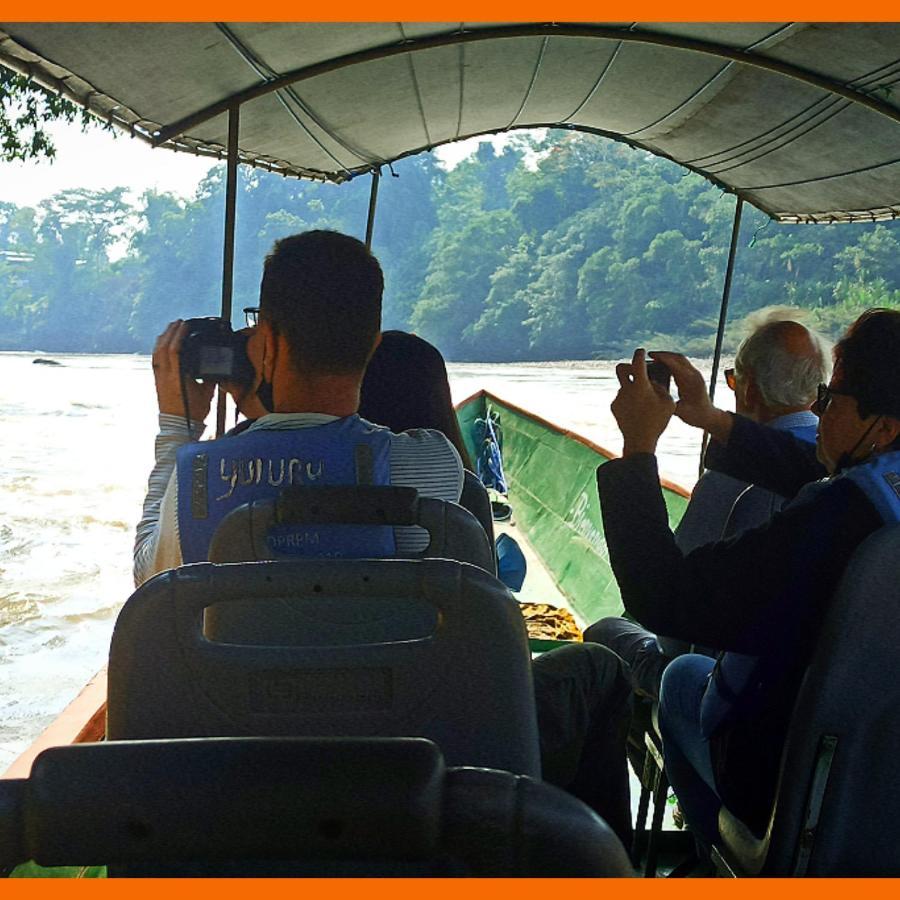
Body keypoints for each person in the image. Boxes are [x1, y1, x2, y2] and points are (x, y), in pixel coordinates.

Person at [595, 308, 900, 847]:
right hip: (883, 793)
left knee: (683, 675)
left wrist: (639, 446)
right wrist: (711, 418)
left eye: (829, 400)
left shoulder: (834, 527)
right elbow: (811, 462)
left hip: (805, 801)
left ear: (883, 427)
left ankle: (720, 850)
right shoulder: (876, 496)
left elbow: (663, 596)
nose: (819, 412)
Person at [358, 329, 635, 846]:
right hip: (459, 737)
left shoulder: (289, 493)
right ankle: (597, 860)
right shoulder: (461, 493)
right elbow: (483, 634)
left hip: (344, 724)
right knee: (600, 667)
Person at [134, 230, 463, 586]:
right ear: (373, 346)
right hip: (379, 641)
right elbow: (321, 443)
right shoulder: (435, 460)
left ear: (271, 344)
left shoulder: (198, 477)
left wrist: (176, 426)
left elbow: (148, 575)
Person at [586, 315, 829, 699]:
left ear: (748, 392)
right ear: (817, 396)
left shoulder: (734, 486)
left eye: (734, 379)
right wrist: (713, 419)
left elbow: (663, 606)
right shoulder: (848, 478)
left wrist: (639, 443)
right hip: (808, 688)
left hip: (727, 687)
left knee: (606, 633)